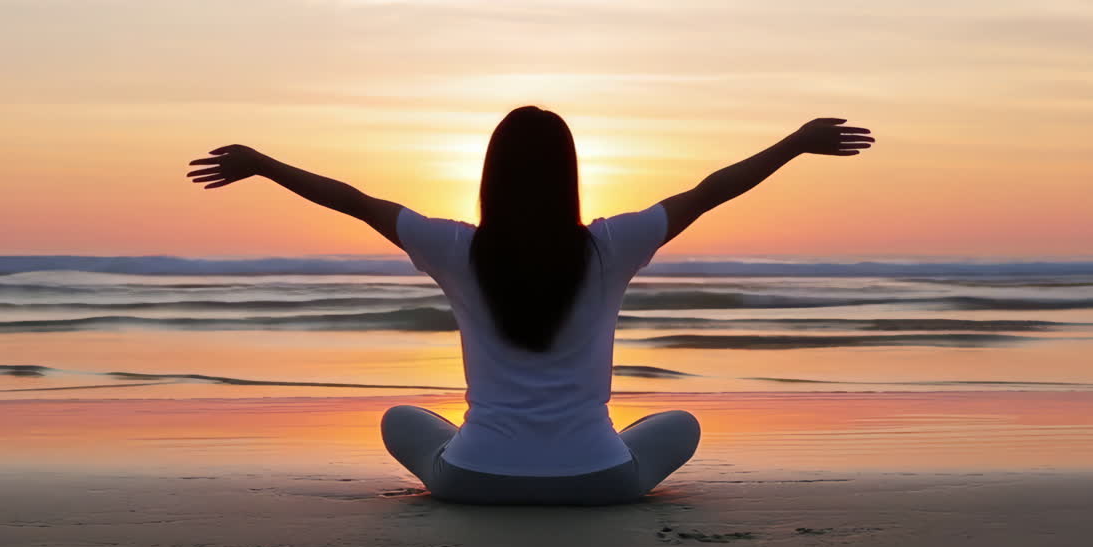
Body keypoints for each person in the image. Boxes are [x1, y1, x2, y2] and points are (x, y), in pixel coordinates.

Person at [186, 107, 873, 505]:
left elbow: (357, 201)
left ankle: (476, 444)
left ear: (492, 175)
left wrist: (265, 165)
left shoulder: (454, 247)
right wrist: (794, 144)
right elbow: (710, 191)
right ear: (569, 176)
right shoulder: (611, 246)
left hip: (473, 483)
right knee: (680, 422)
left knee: (401, 419)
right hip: (599, 484)